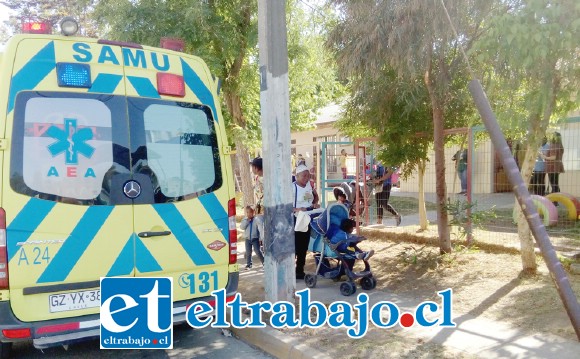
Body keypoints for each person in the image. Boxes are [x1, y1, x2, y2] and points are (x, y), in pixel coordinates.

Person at [292, 164, 320, 280]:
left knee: (303, 246)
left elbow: (314, 199)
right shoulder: (292, 188)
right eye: (304, 176)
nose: (306, 178)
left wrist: (314, 203)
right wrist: (298, 209)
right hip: (296, 219)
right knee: (295, 245)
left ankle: (299, 270)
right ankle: (290, 269)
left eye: (308, 176)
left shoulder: (309, 186)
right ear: (297, 176)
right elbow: (287, 206)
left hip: (308, 217)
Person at [374, 162, 401, 226]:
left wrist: (380, 179)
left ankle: (396, 215)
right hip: (378, 185)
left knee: (384, 204)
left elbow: (389, 173)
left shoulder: (390, 162)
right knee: (379, 203)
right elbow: (374, 173)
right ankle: (379, 222)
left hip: (387, 185)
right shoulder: (378, 163)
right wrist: (375, 179)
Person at [239, 206, 264, 270]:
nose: (249, 214)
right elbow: (242, 227)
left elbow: (260, 229)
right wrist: (247, 221)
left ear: (253, 212)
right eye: (247, 212)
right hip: (247, 239)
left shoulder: (256, 220)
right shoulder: (245, 219)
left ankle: (264, 263)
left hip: (255, 238)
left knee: (258, 251)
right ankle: (249, 265)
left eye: (250, 212)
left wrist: (261, 238)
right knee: (248, 252)